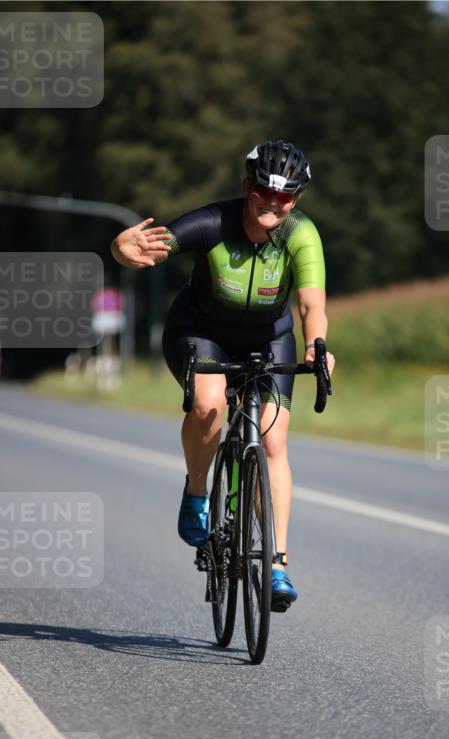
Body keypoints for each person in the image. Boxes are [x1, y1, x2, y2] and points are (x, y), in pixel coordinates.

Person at [111, 140, 334, 611]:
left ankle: (276, 564)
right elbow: (155, 245)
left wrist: (316, 347)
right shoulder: (213, 222)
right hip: (200, 331)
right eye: (262, 191)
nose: (272, 203)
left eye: (285, 196)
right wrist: (120, 247)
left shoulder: (301, 234)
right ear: (246, 187)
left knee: (274, 443)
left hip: (269, 337)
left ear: (295, 200)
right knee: (209, 404)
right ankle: (197, 491)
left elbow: (311, 304)